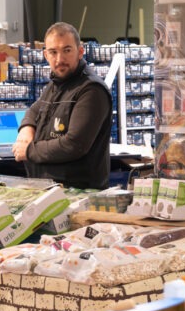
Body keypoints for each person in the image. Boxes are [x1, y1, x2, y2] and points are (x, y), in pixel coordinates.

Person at [12, 22, 112, 189]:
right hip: (51, 190)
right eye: (53, 52)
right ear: (45, 55)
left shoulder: (91, 90)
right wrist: (27, 128)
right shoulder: (57, 83)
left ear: (80, 51)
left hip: (78, 193)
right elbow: (35, 109)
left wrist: (29, 151)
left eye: (67, 50)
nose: (60, 59)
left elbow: (73, 144)